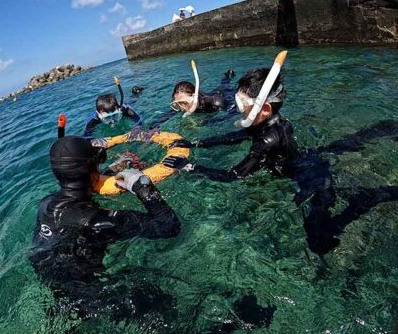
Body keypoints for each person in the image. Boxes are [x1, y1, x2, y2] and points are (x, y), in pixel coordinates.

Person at [164, 67, 398, 255]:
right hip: (305, 159)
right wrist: (196, 144)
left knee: (319, 243)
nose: (238, 110)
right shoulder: (274, 122)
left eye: (242, 105)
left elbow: (233, 176)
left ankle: (363, 200)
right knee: (339, 148)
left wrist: (191, 167)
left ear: (263, 109)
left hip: (309, 178)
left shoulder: (266, 140)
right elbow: (236, 136)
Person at [30, 135, 181, 318]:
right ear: (93, 168)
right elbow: (169, 227)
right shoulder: (100, 222)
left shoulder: (45, 204)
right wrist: (143, 186)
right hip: (95, 299)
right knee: (159, 300)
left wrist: (106, 171)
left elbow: (78, 187)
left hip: (56, 292)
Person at [149, 70, 237, 129]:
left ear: (194, 98)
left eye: (184, 103)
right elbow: (165, 117)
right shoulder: (182, 105)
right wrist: (153, 128)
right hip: (205, 96)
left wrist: (207, 121)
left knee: (224, 86)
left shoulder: (215, 103)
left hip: (225, 95)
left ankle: (228, 76)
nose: (182, 108)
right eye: (176, 104)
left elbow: (233, 112)